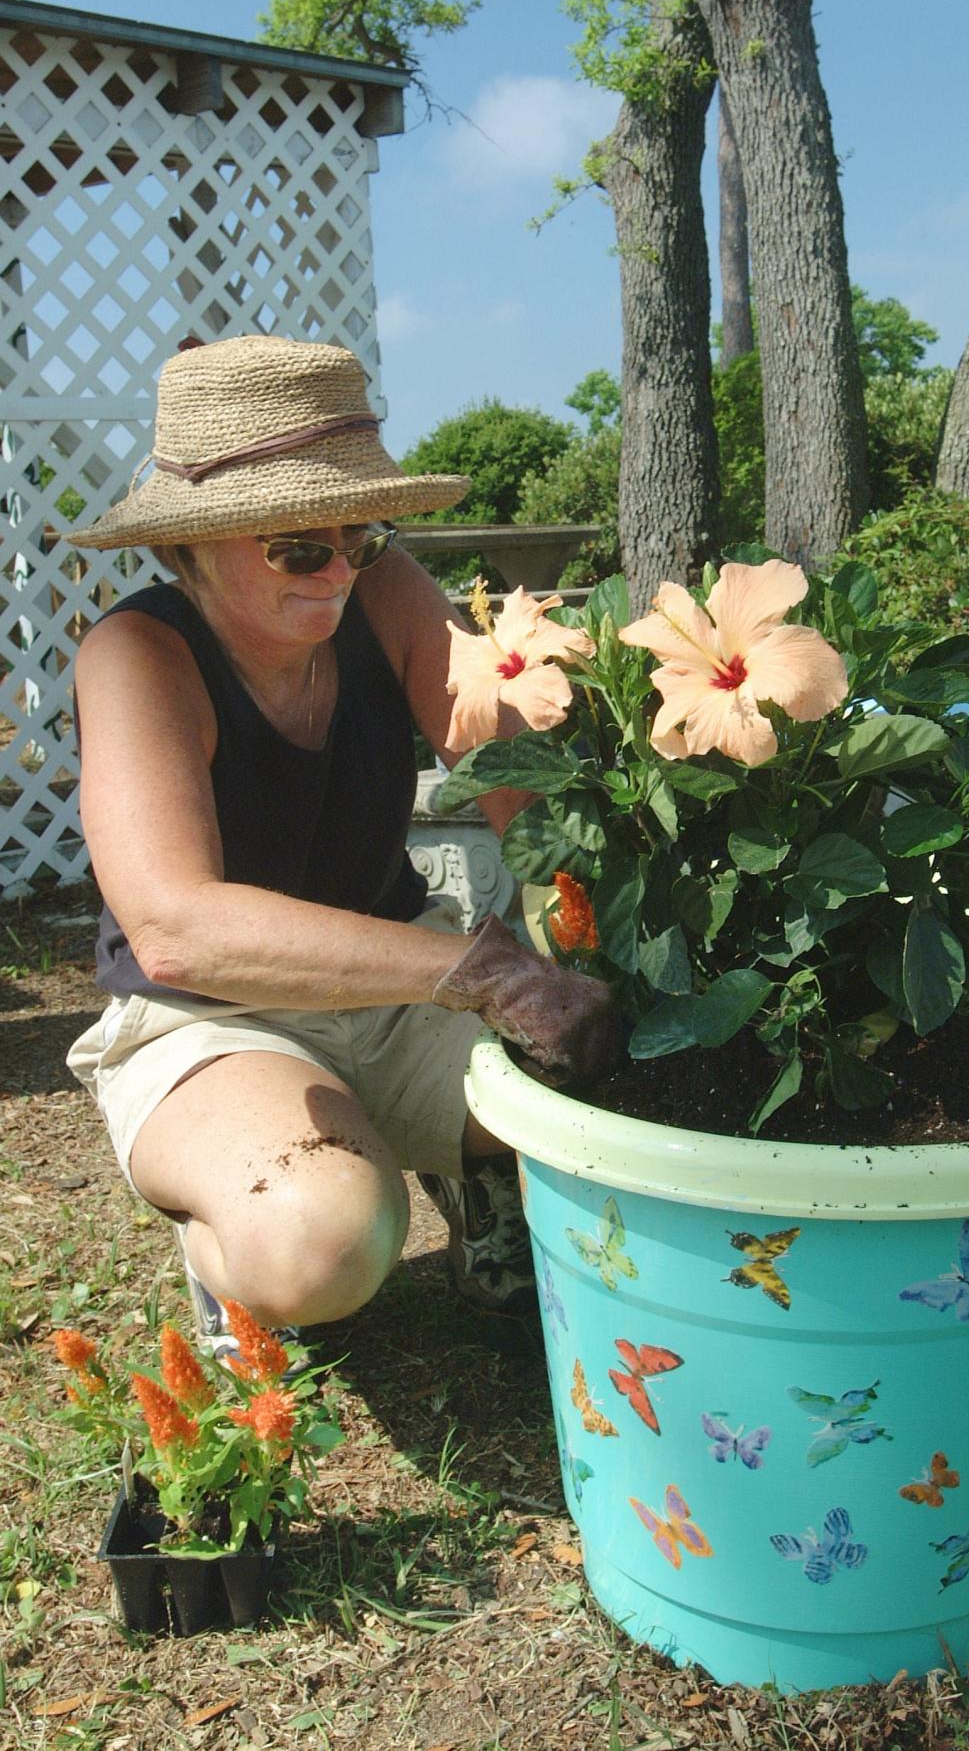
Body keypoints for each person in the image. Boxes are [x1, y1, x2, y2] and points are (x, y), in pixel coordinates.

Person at [64, 333, 619, 1356]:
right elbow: (176, 928)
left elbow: (508, 773)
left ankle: (478, 1167)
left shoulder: (386, 593)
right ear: (187, 543)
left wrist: (589, 930)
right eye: (297, 548)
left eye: (358, 534)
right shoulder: (139, 655)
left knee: (607, 1085)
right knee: (320, 1238)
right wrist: (483, 971)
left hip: (403, 983)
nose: (339, 570)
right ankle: (233, 1254)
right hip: (213, 1020)